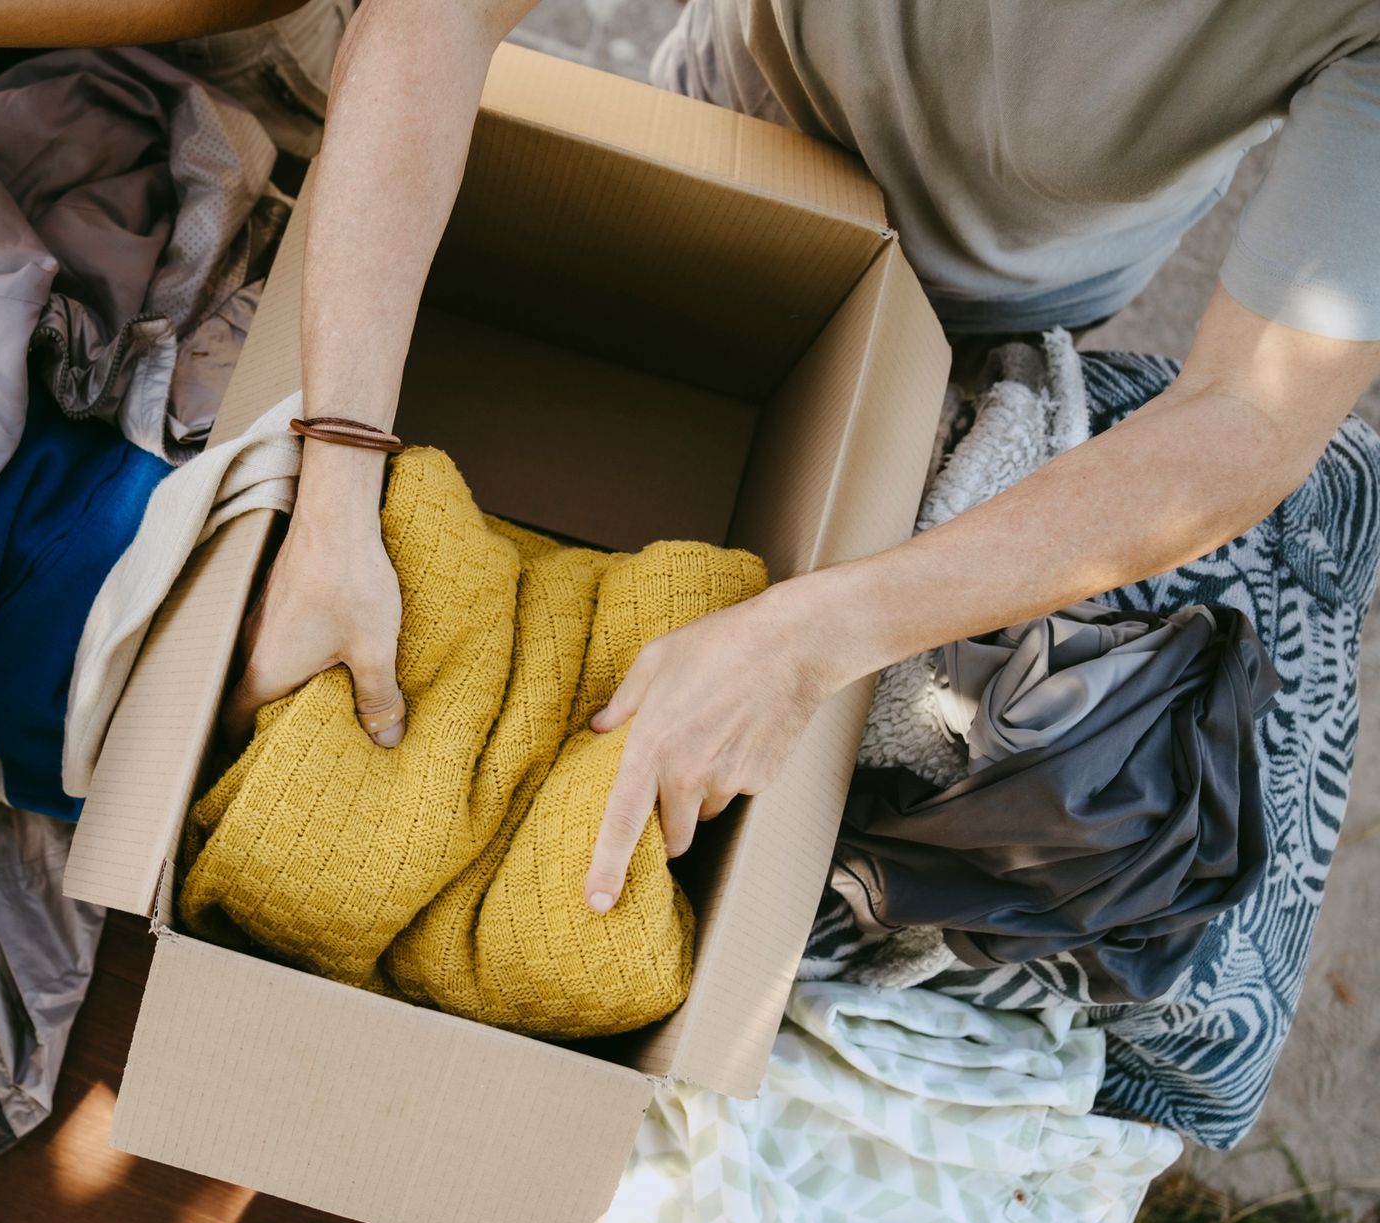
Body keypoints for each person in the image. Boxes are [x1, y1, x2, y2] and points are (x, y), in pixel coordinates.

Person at [221, 0, 1380, 917]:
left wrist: (807, 638)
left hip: (998, 292)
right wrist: (336, 486)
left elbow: (1252, 415)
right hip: (734, 111)